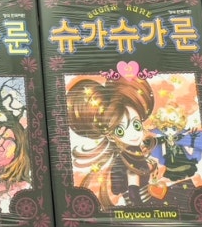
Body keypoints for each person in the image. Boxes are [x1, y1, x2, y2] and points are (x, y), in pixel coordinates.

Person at [67, 76, 160, 208]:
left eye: (136, 125)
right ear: (110, 136)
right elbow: (132, 179)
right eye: (120, 131)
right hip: (139, 202)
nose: (133, 133)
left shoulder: (130, 152)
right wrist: (136, 202)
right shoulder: (129, 155)